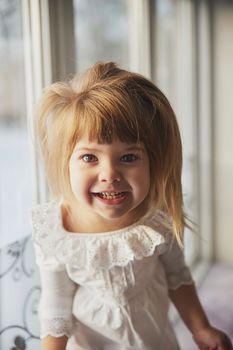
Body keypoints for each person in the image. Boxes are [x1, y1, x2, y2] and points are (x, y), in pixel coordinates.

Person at [31, 61, 232, 350]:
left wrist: (201, 328)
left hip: (154, 338)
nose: (109, 174)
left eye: (129, 157)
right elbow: (55, 305)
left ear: (153, 162)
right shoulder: (56, 230)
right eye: (90, 158)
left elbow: (177, 276)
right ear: (66, 163)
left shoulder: (156, 216)